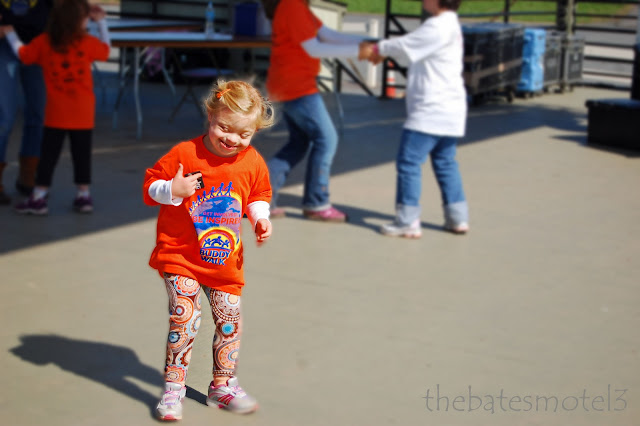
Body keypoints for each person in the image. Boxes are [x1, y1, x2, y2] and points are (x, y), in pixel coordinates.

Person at [143, 80, 274, 421]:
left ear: (255, 132)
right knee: (186, 318)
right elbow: (150, 187)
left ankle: (223, 386)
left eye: (244, 134)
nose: (232, 139)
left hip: (224, 263)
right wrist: (172, 189)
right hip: (181, 255)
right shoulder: (185, 154)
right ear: (210, 116)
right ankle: (174, 388)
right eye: (224, 128)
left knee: (230, 321)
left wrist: (260, 218)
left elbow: (258, 195)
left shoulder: (251, 161)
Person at [361, 0, 469, 237]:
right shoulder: (451, 24)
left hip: (430, 110)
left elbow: (405, 44)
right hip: (451, 110)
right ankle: (457, 218)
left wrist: (378, 48)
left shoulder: (437, 26)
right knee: (445, 162)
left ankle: (407, 221)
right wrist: (384, 51)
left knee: (409, 162)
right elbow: (411, 47)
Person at [261, 0, 371, 222]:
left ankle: (260, 198)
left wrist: (369, 43)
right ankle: (317, 202)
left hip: (288, 87)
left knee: (298, 143)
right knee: (326, 139)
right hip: (297, 88)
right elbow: (314, 47)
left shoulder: (298, 7)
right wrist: (359, 50)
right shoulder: (292, 5)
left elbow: (327, 34)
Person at [2, 0, 110, 215]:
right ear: (79, 22)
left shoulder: (44, 42)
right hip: (83, 114)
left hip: (56, 114)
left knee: (48, 157)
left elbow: (23, 54)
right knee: (82, 156)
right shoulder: (87, 42)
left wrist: (10, 33)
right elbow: (106, 51)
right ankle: (83, 195)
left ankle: (39, 196)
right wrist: (102, 22)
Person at [0, 0, 52, 204]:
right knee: (4, 116)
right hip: (3, 42)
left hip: (38, 41)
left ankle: (28, 175)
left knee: (38, 113)